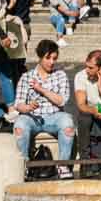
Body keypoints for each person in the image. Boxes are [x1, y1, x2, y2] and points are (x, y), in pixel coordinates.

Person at [13, 40, 74, 178]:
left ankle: (63, 166)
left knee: (68, 123)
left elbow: (62, 100)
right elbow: (19, 104)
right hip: (32, 117)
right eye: (48, 58)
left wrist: (41, 89)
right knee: (20, 125)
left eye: (54, 58)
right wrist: (28, 107)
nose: (51, 62)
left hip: (54, 116)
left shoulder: (60, 75)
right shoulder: (26, 77)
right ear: (40, 57)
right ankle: (24, 166)